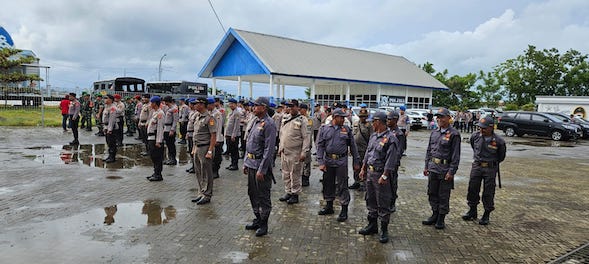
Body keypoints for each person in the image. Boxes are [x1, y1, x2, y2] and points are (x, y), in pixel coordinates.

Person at [358, 112, 399, 243]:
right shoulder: (373, 136)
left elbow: (391, 159)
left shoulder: (391, 138)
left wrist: (385, 176)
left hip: (381, 175)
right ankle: (372, 225)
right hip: (370, 173)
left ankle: (384, 230)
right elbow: (367, 154)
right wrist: (363, 168)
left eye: (373, 121)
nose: (371, 124)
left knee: (383, 202)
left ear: (379, 122)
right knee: (370, 200)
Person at [316, 108, 360, 222]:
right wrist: (320, 162)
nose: (344, 119)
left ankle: (344, 209)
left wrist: (356, 162)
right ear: (335, 117)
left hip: (341, 161)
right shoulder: (324, 129)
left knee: (342, 185)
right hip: (328, 160)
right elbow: (320, 146)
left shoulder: (346, 129)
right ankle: (329, 206)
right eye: (341, 117)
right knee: (328, 184)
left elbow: (353, 147)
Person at [462, 116, 506, 225]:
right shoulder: (475, 136)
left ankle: (486, 214)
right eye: (480, 127)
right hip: (477, 166)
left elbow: (501, 157)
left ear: (491, 127)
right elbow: (474, 147)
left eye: (484, 128)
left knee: (488, 192)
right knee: (472, 188)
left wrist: (491, 163)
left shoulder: (499, 141)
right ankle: (472, 211)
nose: (481, 130)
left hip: (490, 168)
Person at [242, 97, 277, 237]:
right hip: (251, 164)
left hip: (261, 167)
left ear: (264, 107)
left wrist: (262, 169)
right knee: (252, 193)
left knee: (263, 196)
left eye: (256, 106)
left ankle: (264, 224)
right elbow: (249, 144)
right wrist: (245, 162)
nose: (253, 108)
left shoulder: (269, 124)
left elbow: (269, 150)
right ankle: (257, 218)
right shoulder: (255, 121)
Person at [422, 107, 461, 229]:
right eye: (438, 117)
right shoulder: (434, 132)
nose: (439, 119)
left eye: (442, 117)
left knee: (443, 195)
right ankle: (434, 214)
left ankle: (441, 218)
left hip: (445, 169)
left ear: (449, 118)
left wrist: (452, 171)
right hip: (433, 167)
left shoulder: (454, 134)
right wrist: (426, 166)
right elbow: (429, 150)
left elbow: (456, 155)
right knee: (432, 192)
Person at [277, 99, 310, 204]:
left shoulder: (303, 120)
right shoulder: (285, 118)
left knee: (295, 174)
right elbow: (282, 135)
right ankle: (288, 192)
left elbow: (306, 138)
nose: (290, 108)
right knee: (285, 173)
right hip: (285, 151)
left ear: (297, 107)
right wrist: (280, 147)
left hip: (295, 152)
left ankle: (295, 194)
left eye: (292, 106)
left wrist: (304, 152)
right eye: (288, 106)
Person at [191, 97, 217, 205]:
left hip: (205, 147)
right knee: (198, 171)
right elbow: (195, 134)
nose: (194, 105)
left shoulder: (209, 118)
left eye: (196, 104)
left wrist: (210, 151)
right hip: (197, 147)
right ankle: (201, 192)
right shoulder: (197, 117)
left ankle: (207, 194)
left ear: (202, 104)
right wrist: (193, 148)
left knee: (206, 172)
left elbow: (213, 136)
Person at [386, 111, 405, 213]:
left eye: (390, 119)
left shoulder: (399, 134)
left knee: (392, 183)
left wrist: (393, 163)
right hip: (384, 163)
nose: (388, 121)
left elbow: (399, 151)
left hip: (393, 163)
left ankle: (392, 202)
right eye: (387, 119)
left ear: (395, 120)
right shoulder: (386, 132)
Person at [350, 108, 372, 191]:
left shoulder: (369, 126)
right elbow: (352, 136)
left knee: (364, 167)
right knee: (355, 166)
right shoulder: (355, 123)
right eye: (361, 116)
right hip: (355, 149)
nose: (363, 118)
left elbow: (371, 138)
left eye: (364, 116)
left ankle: (363, 183)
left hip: (364, 150)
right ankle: (356, 181)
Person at [146, 96, 165, 182]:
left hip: (155, 139)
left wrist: (158, 141)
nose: (150, 104)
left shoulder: (160, 113)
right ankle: (155, 172)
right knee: (153, 156)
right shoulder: (155, 113)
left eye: (151, 103)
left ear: (154, 103)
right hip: (151, 137)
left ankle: (158, 174)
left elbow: (160, 128)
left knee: (157, 157)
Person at [208, 98, 224, 179]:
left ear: (211, 105)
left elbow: (218, 127)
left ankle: (216, 171)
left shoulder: (217, 114)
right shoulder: (210, 113)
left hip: (217, 139)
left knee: (216, 157)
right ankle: (212, 170)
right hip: (212, 138)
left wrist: (217, 139)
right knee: (212, 156)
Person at [225, 98, 242, 171]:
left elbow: (236, 125)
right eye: (229, 104)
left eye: (232, 104)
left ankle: (235, 165)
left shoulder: (237, 113)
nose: (230, 105)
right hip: (229, 134)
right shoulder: (230, 112)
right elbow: (228, 124)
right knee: (231, 150)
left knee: (234, 150)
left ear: (236, 104)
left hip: (233, 135)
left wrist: (233, 135)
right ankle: (232, 163)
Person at [102, 94, 119, 163]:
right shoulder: (107, 107)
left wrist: (110, 129)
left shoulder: (113, 108)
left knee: (112, 143)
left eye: (106, 98)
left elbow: (112, 120)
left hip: (111, 127)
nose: (105, 99)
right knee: (108, 142)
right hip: (106, 126)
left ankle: (112, 157)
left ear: (111, 100)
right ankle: (110, 156)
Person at [162, 96, 179, 165]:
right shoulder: (167, 109)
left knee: (171, 145)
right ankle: (170, 158)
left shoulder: (174, 109)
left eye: (165, 102)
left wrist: (172, 130)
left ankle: (173, 159)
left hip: (170, 128)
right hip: (166, 128)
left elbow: (175, 120)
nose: (165, 103)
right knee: (168, 145)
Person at [299, 103, 312, 187]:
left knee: (306, 162)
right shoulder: (298, 118)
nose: (299, 110)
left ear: (305, 110)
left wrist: (308, 145)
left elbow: (309, 134)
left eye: (301, 109)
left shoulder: (309, 120)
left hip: (306, 144)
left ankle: (306, 177)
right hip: (298, 144)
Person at [185, 99, 198, 174]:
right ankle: (193, 165)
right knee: (190, 150)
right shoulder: (191, 112)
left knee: (194, 151)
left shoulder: (196, 113)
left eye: (190, 104)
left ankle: (195, 166)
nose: (189, 105)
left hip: (193, 133)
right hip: (189, 133)